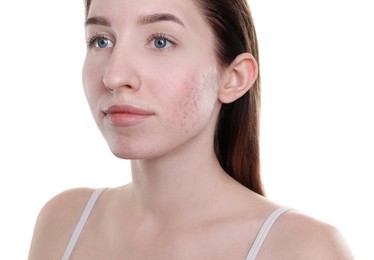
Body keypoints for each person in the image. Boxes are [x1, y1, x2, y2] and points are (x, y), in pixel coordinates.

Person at [28, 0, 354, 259]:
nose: (114, 76)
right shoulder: (63, 222)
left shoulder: (304, 249)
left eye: (160, 41)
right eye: (101, 40)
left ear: (234, 77)